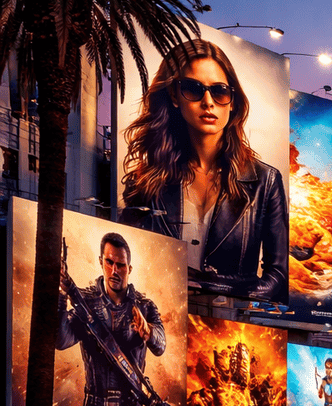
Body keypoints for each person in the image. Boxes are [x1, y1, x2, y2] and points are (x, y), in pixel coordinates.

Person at [120, 38, 287, 301]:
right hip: (163, 322)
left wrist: (208, 287)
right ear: (174, 95)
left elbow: (277, 278)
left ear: (232, 101)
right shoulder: (147, 182)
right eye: (193, 88)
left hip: (232, 327)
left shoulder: (265, 181)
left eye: (219, 91)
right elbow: (127, 258)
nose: (208, 102)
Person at [57, 232, 167, 406]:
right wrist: (61, 295)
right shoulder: (85, 303)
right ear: (101, 261)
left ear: (130, 268)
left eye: (120, 265)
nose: (114, 270)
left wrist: (148, 331)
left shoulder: (145, 306)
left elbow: (161, 346)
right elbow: (60, 340)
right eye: (109, 262)